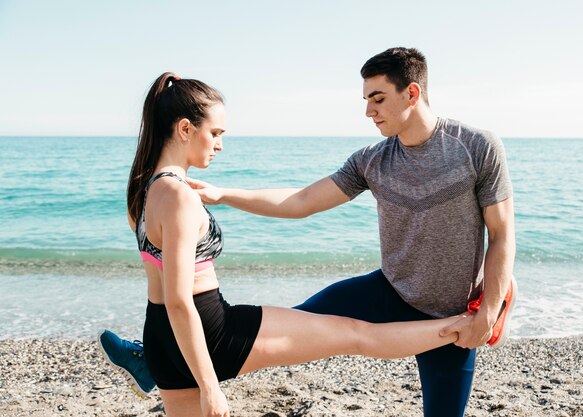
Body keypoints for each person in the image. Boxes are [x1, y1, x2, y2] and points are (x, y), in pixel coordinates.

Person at [100, 47, 516, 417]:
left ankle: (157, 359)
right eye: (366, 100)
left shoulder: (476, 146)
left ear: (412, 93)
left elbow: (501, 235)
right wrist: (226, 194)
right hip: (389, 289)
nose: (368, 111)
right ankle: (158, 359)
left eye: (377, 99)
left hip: (451, 304)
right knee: (299, 324)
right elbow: (301, 201)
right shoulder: (372, 160)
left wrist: (491, 307)